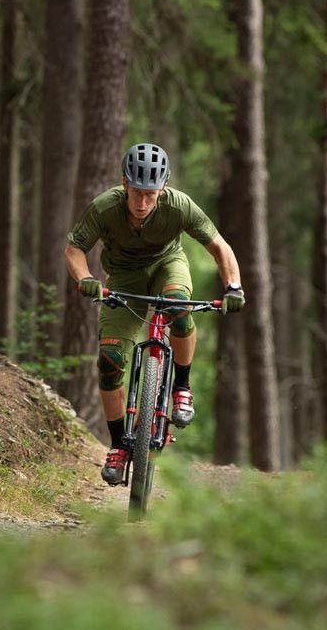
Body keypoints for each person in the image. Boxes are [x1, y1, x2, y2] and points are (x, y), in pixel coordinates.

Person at [64, 142, 245, 485]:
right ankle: (118, 446)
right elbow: (74, 250)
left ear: (163, 189)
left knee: (178, 304)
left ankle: (182, 386)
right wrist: (86, 279)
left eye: (151, 194)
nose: (143, 202)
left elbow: (220, 247)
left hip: (167, 265)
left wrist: (233, 286)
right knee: (110, 359)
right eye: (136, 193)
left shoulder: (179, 206)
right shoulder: (105, 208)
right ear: (124, 183)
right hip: (123, 276)